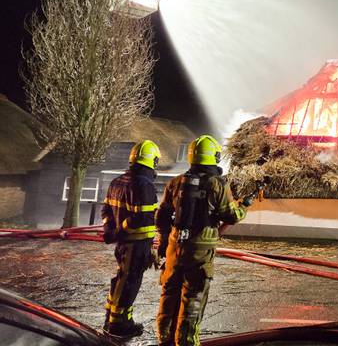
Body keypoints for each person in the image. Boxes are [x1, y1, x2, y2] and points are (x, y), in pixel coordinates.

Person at [155, 135, 253, 346]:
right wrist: (244, 205)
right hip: (199, 249)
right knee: (193, 296)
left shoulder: (176, 182)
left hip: (175, 246)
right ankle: (187, 341)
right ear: (214, 157)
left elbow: (161, 216)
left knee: (169, 291)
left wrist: (164, 241)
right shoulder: (217, 184)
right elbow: (231, 216)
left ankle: (164, 338)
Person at [101, 140, 162, 338]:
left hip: (122, 244)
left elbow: (106, 210)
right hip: (136, 244)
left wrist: (110, 230)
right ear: (151, 160)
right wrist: (120, 231)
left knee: (121, 278)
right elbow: (141, 217)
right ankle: (119, 324)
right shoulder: (144, 185)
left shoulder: (116, 182)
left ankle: (111, 316)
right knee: (129, 282)